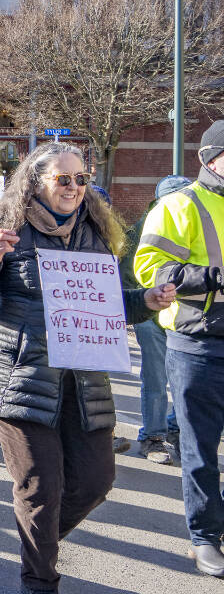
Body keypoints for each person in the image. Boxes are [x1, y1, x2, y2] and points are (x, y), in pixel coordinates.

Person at [0, 143, 175, 594]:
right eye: (63, 179)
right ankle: (40, 581)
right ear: (36, 183)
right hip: (21, 375)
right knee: (41, 484)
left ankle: (39, 541)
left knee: (95, 481)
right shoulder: (7, 228)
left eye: (81, 179)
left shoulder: (94, 232)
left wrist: (146, 301)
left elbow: (108, 304)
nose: (75, 188)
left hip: (83, 377)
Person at [135, 121, 224, 578]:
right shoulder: (180, 204)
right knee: (201, 448)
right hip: (199, 342)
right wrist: (213, 277)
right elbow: (150, 268)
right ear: (211, 159)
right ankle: (206, 537)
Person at [116, 175, 189, 463]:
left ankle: (176, 429)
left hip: (186, 317)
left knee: (186, 380)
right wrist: (134, 307)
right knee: (156, 378)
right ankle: (153, 437)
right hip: (151, 315)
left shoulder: (194, 223)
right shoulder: (141, 229)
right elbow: (125, 272)